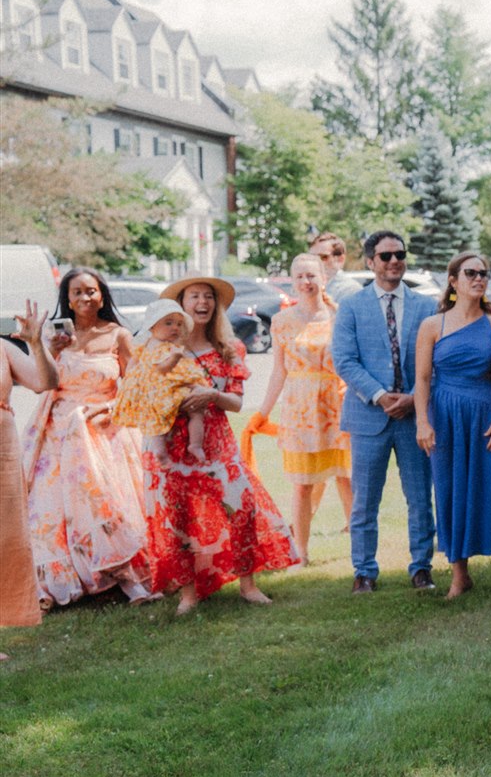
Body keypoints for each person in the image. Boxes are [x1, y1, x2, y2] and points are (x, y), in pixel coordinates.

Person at [140, 276, 299, 614]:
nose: (203, 302)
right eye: (194, 296)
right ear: (181, 305)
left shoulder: (229, 348)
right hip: (171, 444)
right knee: (177, 518)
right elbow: (141, 390)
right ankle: (188, 594)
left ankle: (248, 585)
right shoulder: (160, 349)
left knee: (241, 507)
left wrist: (212, 395)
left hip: (216, 443)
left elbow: (237, 403)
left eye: (208, 297)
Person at [21, 267, 154, 607]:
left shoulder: (117, 335)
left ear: (102, 295)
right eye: (77, 292)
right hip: (59, 435)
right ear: (67, 299)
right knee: (52, 509)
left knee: (108, 502)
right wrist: (46, 349)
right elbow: (42, 383)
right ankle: (58, 581)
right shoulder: (54, 337)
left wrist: (112, 406)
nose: (85, 297)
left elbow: (137, 386)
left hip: (104, 431)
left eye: (91, 291)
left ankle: (125, 575)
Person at [333, 231, 440, 594]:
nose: (394, 261)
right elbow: (344, 360)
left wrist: (412, 398)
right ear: (370, 262)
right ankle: (364, 571)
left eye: (400, 254)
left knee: (419, 498)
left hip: (414, 416)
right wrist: (380, 396)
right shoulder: (352, 306)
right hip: (368, 417)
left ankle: (421, 568)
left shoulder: (426, 306)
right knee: (365, 500)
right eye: (385, 256)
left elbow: (436, 361)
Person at [416, 253, 491, 600]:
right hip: (444, 416)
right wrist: (422, 421)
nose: (478, 278)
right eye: (470, 273)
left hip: (486, 415)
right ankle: (460, 576)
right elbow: (422, 379)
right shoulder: (433, 325)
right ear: (453, 280)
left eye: (483, 273)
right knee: (449, 489)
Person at [249, 254, 353, 558]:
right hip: (301, 409)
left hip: (338, 405)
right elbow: (278, 371)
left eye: (311, 275)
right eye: (300, 277)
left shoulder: (339, 316)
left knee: (347, 478)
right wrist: (263, 412)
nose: (306, 282)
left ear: (323, 278)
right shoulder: (282, 321)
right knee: (302, 484)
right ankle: (301, 553)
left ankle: (359, 551)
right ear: (292, 282)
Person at [0, 301, 53, 633]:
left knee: (4, 540)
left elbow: (44, 381)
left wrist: (36, 343)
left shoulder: (2, 348)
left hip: (2, 455)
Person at [109, 300, 210, 459]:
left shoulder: (154, 346)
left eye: (179, 324)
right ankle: (162, 448)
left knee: (195, 409)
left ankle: (194, 444)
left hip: (169, 385)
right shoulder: (158, 348)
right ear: (152, 327)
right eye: (168, 323)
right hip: (159, 388)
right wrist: (174, 358)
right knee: (159, 412)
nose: (175, 328)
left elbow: (133, 365)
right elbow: (161, 369)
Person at [311, 231, 361, 301]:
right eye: (311, 257)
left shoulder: (350, 290)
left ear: (340, 259)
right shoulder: (305, 286)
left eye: (323, 257)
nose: (315, 262)